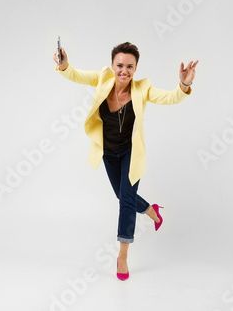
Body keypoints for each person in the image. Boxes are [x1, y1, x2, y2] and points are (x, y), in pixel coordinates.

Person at [53, 42, 198, 280]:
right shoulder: (102, 78)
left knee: (125, 203)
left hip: (131, 153)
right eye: (120, 65)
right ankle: (152, 210)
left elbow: (171, 97)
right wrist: (63, 64)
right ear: (112, 66)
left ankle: (122, 255)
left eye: (130, 66)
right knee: (123, 196)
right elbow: (75, 74)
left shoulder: (143, 89)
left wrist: (184, 84)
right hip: (108, 152)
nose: (124, 71)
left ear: (136, 68)